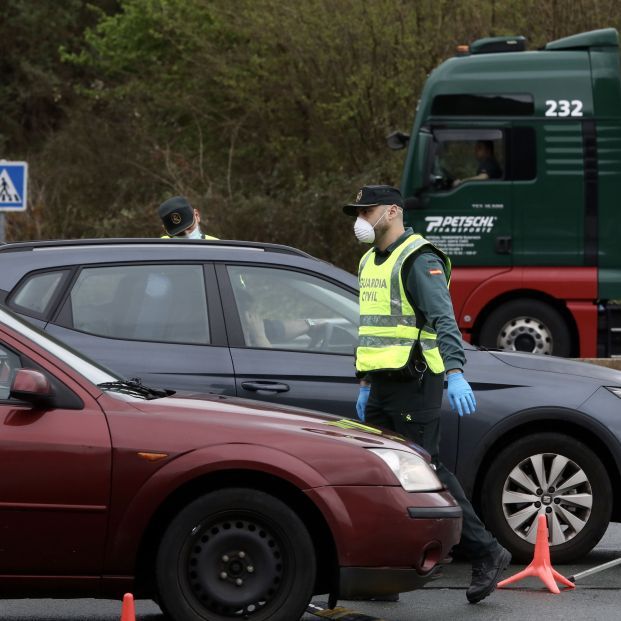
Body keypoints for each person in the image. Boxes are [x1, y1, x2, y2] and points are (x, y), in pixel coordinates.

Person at [343, 184, 511, 604]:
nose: (361, 219)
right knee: (381, 474)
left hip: (417, 380)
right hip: (382, 382)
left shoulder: (419, 257)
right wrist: (365, 382)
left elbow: (442, 318)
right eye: (358, 212)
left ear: (393, 211)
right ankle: (388, 571)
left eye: (368, 210)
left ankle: (487, 551)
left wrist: (455, 372)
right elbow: (372, 327)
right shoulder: (369, 260)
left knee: (427, 469)